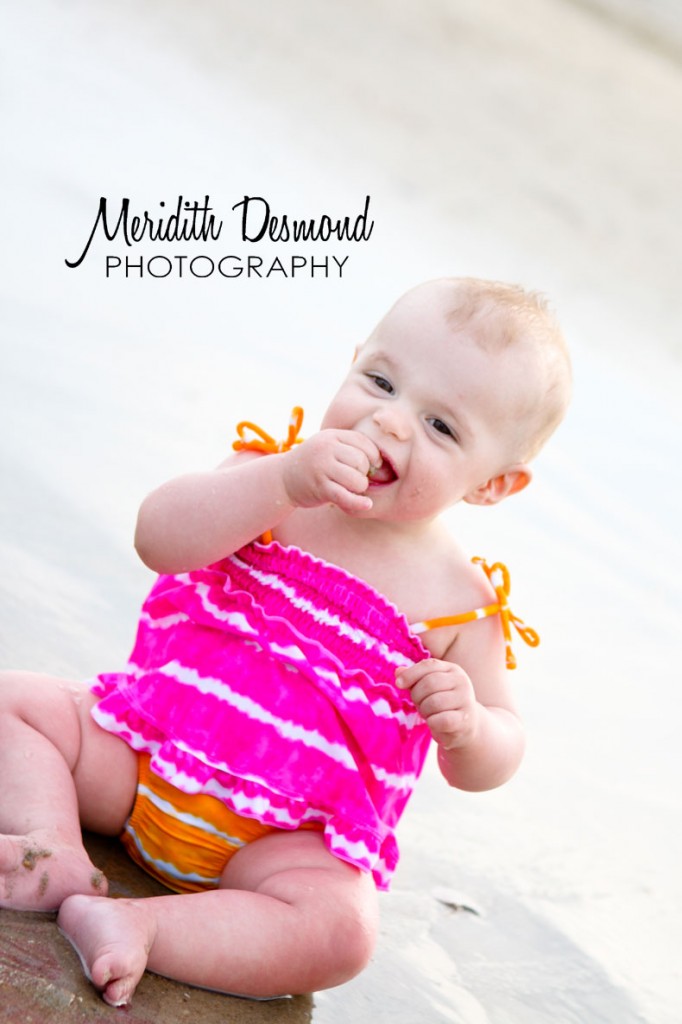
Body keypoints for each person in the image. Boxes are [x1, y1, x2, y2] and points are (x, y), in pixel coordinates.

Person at [0, 277, 571, 1006]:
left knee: (342, 932)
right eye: (381, 382)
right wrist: (285, 480)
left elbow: (499, 750)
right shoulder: (267, 479)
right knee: (16, 704)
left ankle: (142, 928)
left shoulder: (462, 604)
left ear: (494, 485)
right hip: (142, 760)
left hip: (278, 844)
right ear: (353, 361)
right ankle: (51, 852)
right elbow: (158, 538)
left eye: (441, 427)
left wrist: (471, 727)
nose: (391, 422)